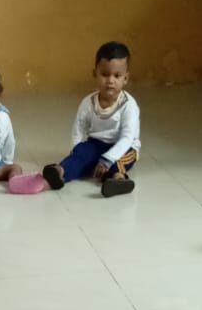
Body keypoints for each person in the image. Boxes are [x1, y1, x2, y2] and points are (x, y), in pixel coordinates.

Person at [43, 42, 139, 198]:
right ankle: (59, 172)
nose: (110, 81)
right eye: (105, 74)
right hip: (96, 144)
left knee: (119, 162)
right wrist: (77, 149)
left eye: (117, 76)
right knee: (81, 155)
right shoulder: (88, 103)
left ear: (126, 78)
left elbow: (127, 138)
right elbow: (79, 128)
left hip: (123, 147)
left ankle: (118, 179)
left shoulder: (129, 105)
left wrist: (108, 159)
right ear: (95, 74)